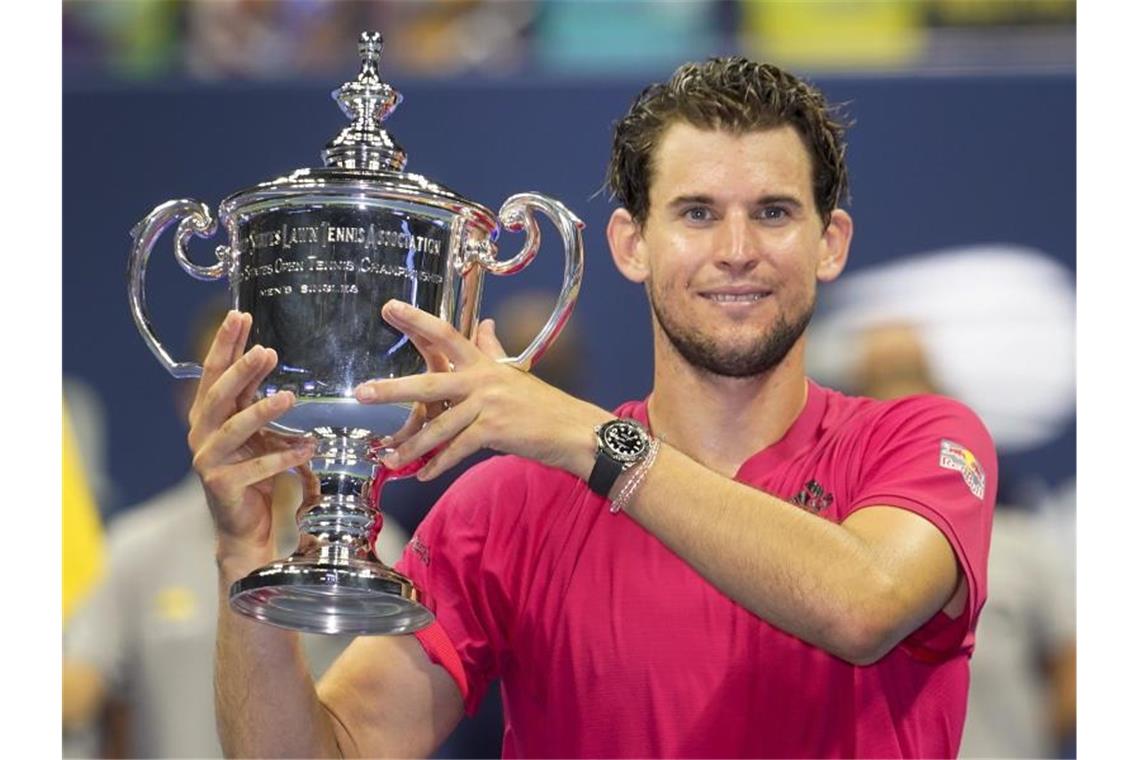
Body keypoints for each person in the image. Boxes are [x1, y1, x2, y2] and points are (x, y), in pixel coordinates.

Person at [189, 57, 996, 758]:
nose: (738, 250)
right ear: (629, 243)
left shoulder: (920, 441)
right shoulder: (511, 506)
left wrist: (587, 437)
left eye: (775, 212)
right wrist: (242, 554)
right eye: (697, 212)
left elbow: (865, 604)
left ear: (831, 242)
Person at [62, 306, 409, 758]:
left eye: (264, 388)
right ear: (192, 401)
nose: (249, 409)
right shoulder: (135, 546)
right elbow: (75, 695)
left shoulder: (375, 548)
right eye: (228, 388)